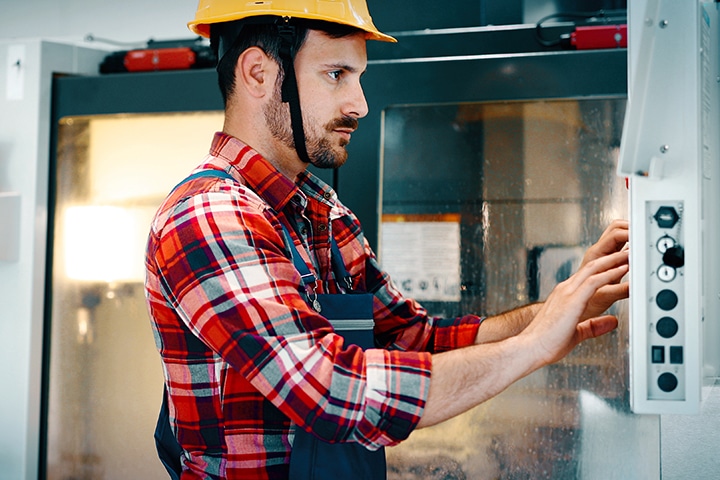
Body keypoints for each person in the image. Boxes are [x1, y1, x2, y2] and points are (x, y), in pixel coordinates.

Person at [144, 1, 630, 479]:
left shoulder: (322, 212)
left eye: (359, 77)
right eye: (336, 74)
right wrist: (533, 348)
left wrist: (558, 310)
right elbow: (332, 394)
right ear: (258, 74)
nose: (360, 104)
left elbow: (415, 340)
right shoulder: (210, 215)